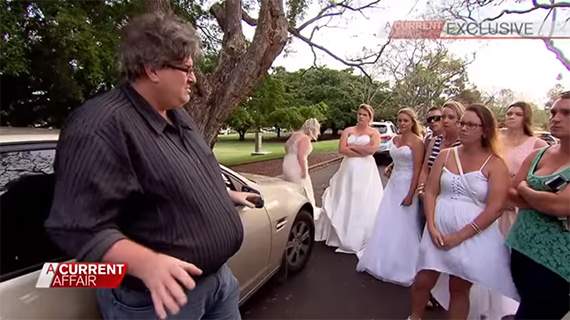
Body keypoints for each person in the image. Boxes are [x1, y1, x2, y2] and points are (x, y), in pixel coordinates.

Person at [45, 12, 260, 320]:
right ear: (153, 69)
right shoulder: (100, 126)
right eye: (186, 69)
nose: (194, 77)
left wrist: (223, 196)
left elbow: (177, 177)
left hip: (218, 284)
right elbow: (76, 226)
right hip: (157, 302)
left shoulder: (177, 114)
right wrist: (147, 264)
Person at [409, 104, 519, 320]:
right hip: (437, 230)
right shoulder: (445, 155)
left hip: (472, 234)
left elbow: (495, 208)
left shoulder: (496, 164)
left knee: (458, 288)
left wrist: (459, 236)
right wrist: (431, 226)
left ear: (485, 130)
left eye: (471, 124)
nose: (463, 128)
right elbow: (431, 192)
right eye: (462, 123)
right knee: (423, 280)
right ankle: (415, 316)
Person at [506, 92, 570, 319]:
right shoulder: (539, 154)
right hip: (522, 248)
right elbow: (510, 193)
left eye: (566, 113)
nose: (556, 118)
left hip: (559, 261)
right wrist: (541, 200)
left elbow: (559, 206)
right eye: (553, 112)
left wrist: (525, 189)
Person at [356, 108, 424, 286]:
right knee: (387, 220)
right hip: (393, 185)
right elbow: (399, 157)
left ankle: (402, 263)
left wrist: (411, 194)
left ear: (412, 123)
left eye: (405, 121)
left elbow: (417, 169)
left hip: (407, 185)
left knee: (405, 224)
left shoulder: (417, 142)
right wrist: (391, 166)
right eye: (399, 120)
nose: (402, 124)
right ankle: (382, 257)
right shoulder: (395, 139)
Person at [315, 104, 384, 253]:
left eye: (365, 115)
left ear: (370, 117)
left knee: (363, 197)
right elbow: (342, 149)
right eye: (359, 114)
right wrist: (360, 150)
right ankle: (341, 228)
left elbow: (371, 150)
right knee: (346, 195)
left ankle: (360, 233)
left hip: (366, 170)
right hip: (348, 168)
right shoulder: (348, 130)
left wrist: (352, 148)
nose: (361, 117)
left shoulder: (374, 132)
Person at [498, 102, 547, 237]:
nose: (512, 117)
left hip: (518, 203)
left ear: (526, 118)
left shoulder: (538, 144)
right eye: (509, 113)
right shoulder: (496, 138)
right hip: (492, 197)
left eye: (518, 114)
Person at [282, 118, 321, 207]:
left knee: (292, 187)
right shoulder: (305, 138)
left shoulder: (296, 135)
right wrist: (304, 171)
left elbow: (286, 146)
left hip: (288, 161)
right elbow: (301, 156)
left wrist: (291, 154)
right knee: (303, 187)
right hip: (296, 164)